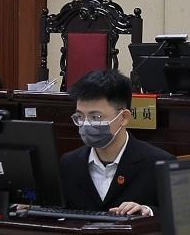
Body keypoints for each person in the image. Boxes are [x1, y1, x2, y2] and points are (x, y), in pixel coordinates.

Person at [57, 68, 173, 216]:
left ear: (123, 117)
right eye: (79, 117)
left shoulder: (159, 163)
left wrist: (147, 211)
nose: (86, 124)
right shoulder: (68, 164)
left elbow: (178, 216)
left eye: (96, 117)